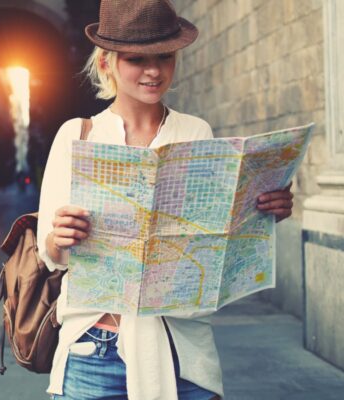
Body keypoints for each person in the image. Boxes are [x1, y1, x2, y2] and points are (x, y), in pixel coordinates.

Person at [37, 1, 295, 399]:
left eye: (164, 57)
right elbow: (48, 253)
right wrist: (61, 236)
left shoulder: (195, 132)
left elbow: (213, 240)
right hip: (94, 351)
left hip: (182, 351)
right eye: (136, 59)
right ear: (107, 64)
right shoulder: (78, 135)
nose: (153, 71)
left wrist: (262, 214)